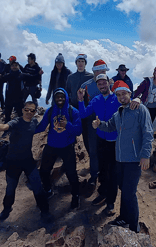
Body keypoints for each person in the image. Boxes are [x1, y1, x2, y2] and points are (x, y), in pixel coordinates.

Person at [92, 80, 153, 233]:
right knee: (123, 190)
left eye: (124, 94)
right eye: (118, 94)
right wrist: (99, 124)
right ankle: (124, 218)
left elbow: (148, 133)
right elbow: (110, 126)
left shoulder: (140, 109)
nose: (121, 97)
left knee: (129, 193)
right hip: (119, 159)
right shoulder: (118, 112)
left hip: (133, 160)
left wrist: (145, 155)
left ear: (130, 94)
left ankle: (134, 227)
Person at [0, 101, 51, 222]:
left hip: (28, 160)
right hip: (12, 161)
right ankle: (7, 209)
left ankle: (44, 211)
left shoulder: (34, 122)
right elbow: (6, 126)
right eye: (27, 109)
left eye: (32, 110)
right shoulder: (16, 121)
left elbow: (42, 127)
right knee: (10, 187)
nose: (29, 112)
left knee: (37, 185)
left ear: (35, 112)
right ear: (23, 110)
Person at [77, 74, 120, 215]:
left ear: (109, 83)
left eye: (104, 83)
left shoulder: (118, 98)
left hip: (115, 141)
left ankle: (111, 201)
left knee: (113, 173)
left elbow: (130, 107)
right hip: (101, 139)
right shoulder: (96, 100)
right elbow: (83, 114)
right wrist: (80, 100)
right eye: (99, 84)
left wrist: (137, 99)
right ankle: (102, 193)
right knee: (102, 170)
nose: (102, 86)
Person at [35, 88, 82, 210]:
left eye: (62, 97)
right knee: (44, 171)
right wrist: (28, 130)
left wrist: (67, 125)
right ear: (54, 99)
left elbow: (78, 131)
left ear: (66, 97)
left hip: (67, 147)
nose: (60, 99)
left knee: (71, 173)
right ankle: (48, 190)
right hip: (51, 146)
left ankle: (75, 196)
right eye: (57, 97)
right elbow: (42, 126)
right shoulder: (50, 111)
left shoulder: (73, 111)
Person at [66, 55, 97, 186]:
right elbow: (67, 93)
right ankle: (69, 166)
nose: (80, 64)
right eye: (78, 61)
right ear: (76, 63)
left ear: (85, 63)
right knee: (71, 138)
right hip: (73, 111)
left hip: (86, 112)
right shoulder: (70, 77)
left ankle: (93, 164)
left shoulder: (90, 77)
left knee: (87, 139)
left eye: (82, 62)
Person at [2, 61, 24, 130]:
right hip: (9, 98)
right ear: (10, 67)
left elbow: (32, 78)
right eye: (12, 65)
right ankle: (6, 130)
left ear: (18, 67)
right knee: (7, 115)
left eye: (15, 65)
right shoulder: (8, 75)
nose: (14, 67)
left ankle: (22, 130)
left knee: (20, 115)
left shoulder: (22, 75)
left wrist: (39, 74)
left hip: (19, 98)